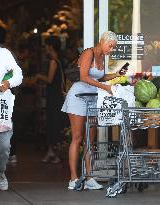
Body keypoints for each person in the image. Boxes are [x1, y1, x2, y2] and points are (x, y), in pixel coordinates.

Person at [62, 31, 127, 190]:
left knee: (90, 141)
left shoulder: (102, 57)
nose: (111, 50)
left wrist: (116, 75)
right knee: (77, 138)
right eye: (110, 46)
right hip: (78, 97)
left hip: (92, 99)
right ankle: (74, 179)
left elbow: (100, 77)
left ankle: (89, 177)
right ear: (102, 41)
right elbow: (84, 77)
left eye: (113, 48)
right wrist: (105, 88)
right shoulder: (88, 53)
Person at [0, 25, 23, 190]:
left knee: (4, 146)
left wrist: (8, 82)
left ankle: (0, 172)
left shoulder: (4, 54)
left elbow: (18, 74)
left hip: (1, 105)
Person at [36, 35, 65, 164]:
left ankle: (55, 153)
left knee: (53, 123)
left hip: (54, 97)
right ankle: (51, 152)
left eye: (47, 45)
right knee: (53, 122)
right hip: (55, 96)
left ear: (51, 47)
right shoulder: (60, 61)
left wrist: (39, 76)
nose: (45, 48)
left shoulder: (54, 62)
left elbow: (49, 79)